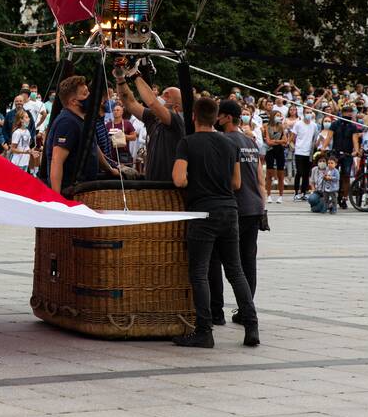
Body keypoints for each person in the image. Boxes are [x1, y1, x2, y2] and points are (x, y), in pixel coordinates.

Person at [171, 97, 259, 348]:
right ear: (215, 117)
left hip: (203, 212)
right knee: (235, 270)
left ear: (194, 117)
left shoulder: (187, 143)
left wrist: (194, 179)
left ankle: (204, 330)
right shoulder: (230, 144)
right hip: (230, 210)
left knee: (199, 272)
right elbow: (236, 183)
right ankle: (251, 326)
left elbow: (179, 180)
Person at [208, 100, 266, 327]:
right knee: (248, 261)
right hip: (254, 207)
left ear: (227, 118)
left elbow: (229, 179)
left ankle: (216, 311)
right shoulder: (250, 141)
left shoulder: (224, 141)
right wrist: (263, 206)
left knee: (217, 259)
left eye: (219, 116)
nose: (216, 120)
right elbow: (260, 178)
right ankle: (245, 310)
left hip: (236, 206)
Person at [44, 76, 119, 194]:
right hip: (70, 191)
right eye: (85, 94)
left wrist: (110, 169)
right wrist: (57, 198)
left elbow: (93, 146)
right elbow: (56, 160)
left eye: (88, 92)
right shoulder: (67, 122)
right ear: (73, 101)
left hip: (83, 189)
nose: (90, 96)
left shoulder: (83, 120)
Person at [114, 59, 185, 180]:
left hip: (168, 186)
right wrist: (120, 78)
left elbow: (152, 103)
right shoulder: (153, 118)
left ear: (177, 107)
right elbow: (129, 102)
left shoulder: (177, 121)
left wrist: (135, 73)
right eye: (163, 93)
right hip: (151, 182)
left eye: (167, 96)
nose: (161, 97)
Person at [330, 105, 362, 209]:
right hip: (336, 152)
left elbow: (355, 140)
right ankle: (331, 195)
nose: (350, 114)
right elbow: (329, 136)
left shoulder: (353, 126)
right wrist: (323, 148)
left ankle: (344, 197)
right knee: (332, 173)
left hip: (347, 154)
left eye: (351, 112)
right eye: (348, 113)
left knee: (346, 176)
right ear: (343, 113)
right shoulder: (335, 124)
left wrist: (356, 151)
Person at [290, 109, 316, 200]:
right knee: (299, 172)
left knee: (306, 174)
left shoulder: (314, 125)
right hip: (299, 152)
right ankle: (296, 192)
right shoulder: (298, 124)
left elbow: (314, 138)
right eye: (307, 112)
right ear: (303, 114)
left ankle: (304, 192)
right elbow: (292, 138)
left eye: (310, 112)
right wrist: (294, 147)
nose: (309, 114)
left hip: (309, 153)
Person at [105, 103, 138, 167]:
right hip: (111, 154)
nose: (115, 112)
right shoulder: (108, 125)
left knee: (125, 173)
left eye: (118, 110)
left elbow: (134, 137)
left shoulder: (127, 123)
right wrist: (110, 137)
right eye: (114, 110)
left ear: (122, 112)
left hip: (124, 154)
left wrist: (122, 136)